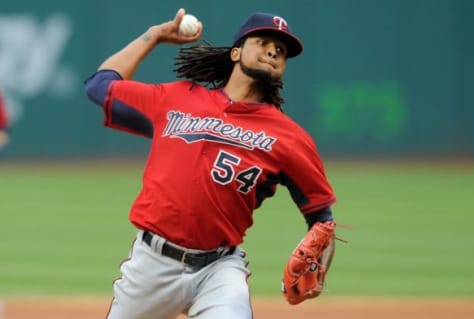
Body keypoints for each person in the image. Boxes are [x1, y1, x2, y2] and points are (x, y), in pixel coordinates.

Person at [85, 8, 338, 319]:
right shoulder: (175, 99)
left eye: (281, 50)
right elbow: (99, 86)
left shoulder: (290, 138)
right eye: (263, 41)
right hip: (151, 265)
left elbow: (321, 218)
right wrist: (155, 35)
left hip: (218, 269)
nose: (273, 51)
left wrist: (321, 265)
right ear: (236, 53)